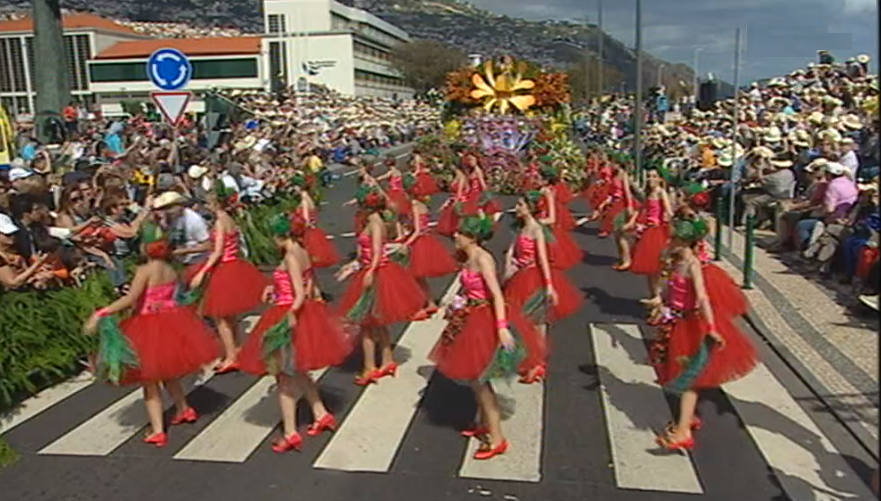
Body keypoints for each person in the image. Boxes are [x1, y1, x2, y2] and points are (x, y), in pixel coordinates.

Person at [83, 222, 221, 447]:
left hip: (148, 324)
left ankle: (158, 429)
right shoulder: (170, 268)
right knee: (169, 374)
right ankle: (183, 408)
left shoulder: (145, 270)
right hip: (172, 321)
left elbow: (130, 299)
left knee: (149, 381)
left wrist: (101, 313)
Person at [429, 214, 543, 460]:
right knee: (475, 379)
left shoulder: (483, 259)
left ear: (471, 237)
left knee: (481, 382)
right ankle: (484, 423)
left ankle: (497, 438)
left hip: (483, 320)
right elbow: (466, 287)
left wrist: (501, 327)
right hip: (470, 315)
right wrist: (456, 305)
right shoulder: (468, 257)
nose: (455, 236)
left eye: (459, 233)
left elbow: (497, 295)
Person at [237, 215, 353, 453]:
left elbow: (299, 294)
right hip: (301, 314)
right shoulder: (301, 250)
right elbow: (306, 284)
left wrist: (288, 317)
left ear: (281, 236)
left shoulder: (290, 256)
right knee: (299, 370)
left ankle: (290, 432)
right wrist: (275, 288)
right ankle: (320, 413)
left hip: (288, 315)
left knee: (284, 377)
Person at [650, 215, 758, 450]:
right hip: (674, 321)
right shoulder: (673, 258)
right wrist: (660, 302)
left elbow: (702, 297)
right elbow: (667, 285)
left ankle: (683, 432)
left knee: (689, 377)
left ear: (687, 242)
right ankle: (688, 417)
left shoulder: (693, 264)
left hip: (691, 325)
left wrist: (711, 328)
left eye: (676, 239)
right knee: (671, 368)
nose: (671, 241)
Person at [336, 186, 426, 385]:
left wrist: (369, 271)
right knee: (377, 322)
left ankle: (370, 367)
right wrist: (352, 266)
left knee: (366, 324)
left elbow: (378, 251)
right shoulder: (373, 221)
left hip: (377, 273)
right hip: (372, 270)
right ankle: (387, 360)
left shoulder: (376, 223)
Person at [186, 183, 269, 373]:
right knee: (231, 316)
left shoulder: (220, 221)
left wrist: (202, 272)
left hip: (223, 267)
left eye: (209, 201)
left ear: (215, 203)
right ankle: (237, 349)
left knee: (220, 317)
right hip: (234, 267)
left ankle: (231, 356)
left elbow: (217, 252)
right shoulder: (229, 218)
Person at [504, 193, 582, 384]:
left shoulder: (536, 229)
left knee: (536, 322)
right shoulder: (522, 227)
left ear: (529, 208)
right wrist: (509, 266)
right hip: (520, 277)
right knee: (522, 321)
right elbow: (512, 250)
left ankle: (537, 363)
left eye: (520, 204)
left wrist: (549, 286)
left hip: (532, 278)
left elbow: (543, 259)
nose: (517, 207)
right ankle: (532, 359)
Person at [400, 173, 457, 319]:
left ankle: (422, 304)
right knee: (417, 278)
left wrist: (405, 243)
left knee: (413, 277)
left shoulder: (413, 205)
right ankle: (429, 302)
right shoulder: (422, 203)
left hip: (419, 242)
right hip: (426, 240)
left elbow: (418, 230)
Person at [628, 168, 673, 300]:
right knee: (649, 268)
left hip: (657, 231)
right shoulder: (648, 192)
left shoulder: (660, 192)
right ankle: (653, 295)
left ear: (660, 179)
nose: (650, 179)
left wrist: (667, 223)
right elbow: (641, 208)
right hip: (647, 231)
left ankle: (659, 296)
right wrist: (633, 221)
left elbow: (668, 211)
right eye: (649, 176)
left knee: (658, 267)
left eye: (654, 176)